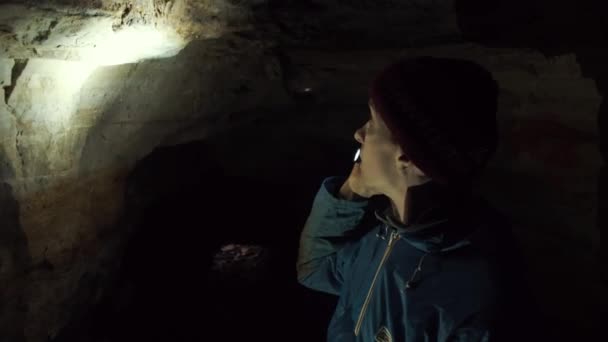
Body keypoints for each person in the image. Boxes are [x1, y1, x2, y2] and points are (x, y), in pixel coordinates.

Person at [296, 56, 538, 341]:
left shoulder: (474, 294)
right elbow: (315, 268)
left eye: (372, 124)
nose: (359, 133)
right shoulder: (385, 238)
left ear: (408, 157)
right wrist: (352, 190)